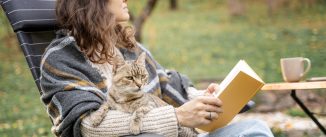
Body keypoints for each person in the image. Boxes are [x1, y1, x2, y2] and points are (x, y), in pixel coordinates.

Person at [39, 0, 274, 136]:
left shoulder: (126, 46)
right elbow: (88, 126)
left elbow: (165, 82)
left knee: (256, 128)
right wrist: (178, 116)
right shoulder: (62, 59)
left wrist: (204, 98)